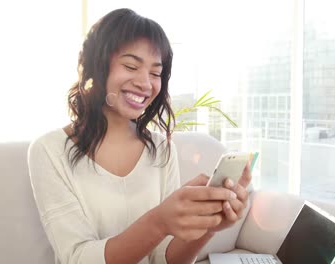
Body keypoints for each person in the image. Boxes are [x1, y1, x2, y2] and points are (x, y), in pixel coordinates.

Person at [27, 8, 252, 264]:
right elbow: (77, 257)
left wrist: (209, 225)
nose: (146, 84)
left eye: (156, 73)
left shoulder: (161, 148)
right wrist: (159, 221)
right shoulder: (49, 150)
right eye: (131, 66)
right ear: (95, 66)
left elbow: (164, 259)